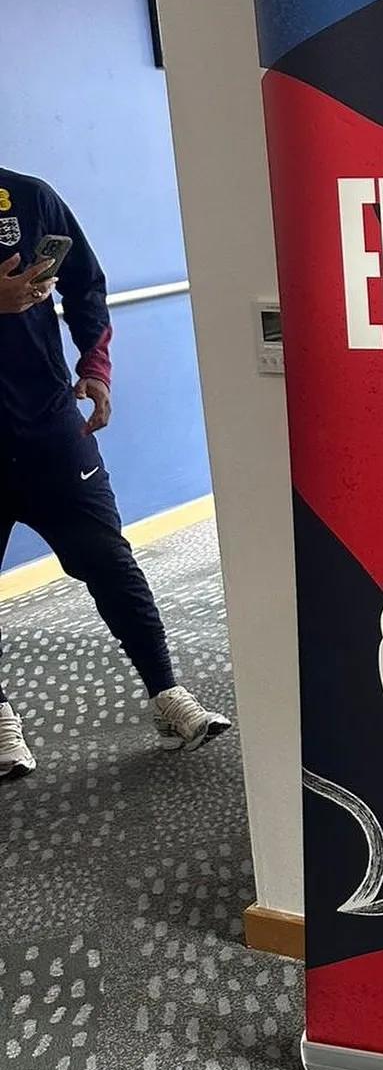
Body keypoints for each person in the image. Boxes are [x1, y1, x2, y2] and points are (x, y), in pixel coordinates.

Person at [0, 169, 232, 777]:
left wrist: (95, 367)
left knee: (109, 560)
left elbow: (85, 283)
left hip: (49, 426)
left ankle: (166, 693)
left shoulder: (29, 197)